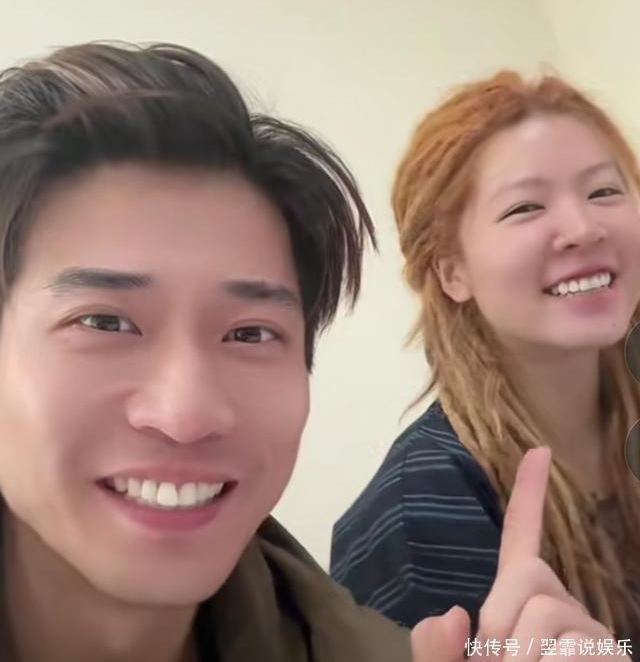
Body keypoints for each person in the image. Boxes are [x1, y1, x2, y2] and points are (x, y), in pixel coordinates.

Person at [0, 45, 624, 661]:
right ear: (448, 270)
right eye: (104, 322)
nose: (186, 413)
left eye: (249, 333)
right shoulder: (419, 510)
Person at [330, 71, 640, 646]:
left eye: (603, 192)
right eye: (525, 207)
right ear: (452, 272)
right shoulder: (416, 518)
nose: (583, 228)